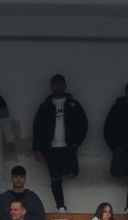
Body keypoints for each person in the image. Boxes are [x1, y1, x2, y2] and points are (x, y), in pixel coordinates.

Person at [32, 75, 88, 210]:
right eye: (55, 84)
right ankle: (61, 207)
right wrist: (37, 148)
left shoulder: (73, 104)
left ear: (65, 86)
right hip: (50, 148)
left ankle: (64, 169)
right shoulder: (45, 106)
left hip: (68, 146)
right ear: (51, 86)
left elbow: (84, 124)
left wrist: (77, 142)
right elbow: (37, 127)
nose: (58, 87)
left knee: (74, 171)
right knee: (55, 179)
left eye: (60, 84)